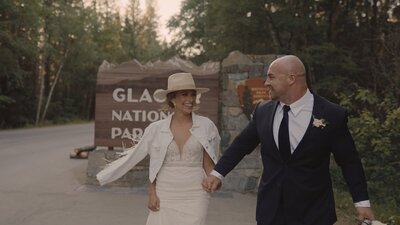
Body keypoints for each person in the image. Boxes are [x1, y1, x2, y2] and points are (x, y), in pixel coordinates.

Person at [202, 55, 375, 225]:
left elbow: (349, 161)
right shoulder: (263, 111)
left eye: (271, 77)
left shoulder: (331, 114)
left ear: (292, 78)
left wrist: (362, 203)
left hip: (314, 213)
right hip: (271, 211)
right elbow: (241, 145)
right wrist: (217, 174)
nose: (266, 83)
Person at [97, 72, 220, 225]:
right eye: (184, 94)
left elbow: (209, 164)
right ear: (172, 99)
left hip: (196, 194)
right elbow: (153, 164)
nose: (190, 99)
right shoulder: (156, 129)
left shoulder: (206, 126)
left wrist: (216, 179)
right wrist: (152, 193)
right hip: (165, 193)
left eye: (192, 94)